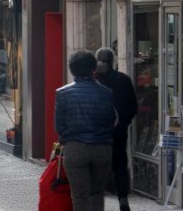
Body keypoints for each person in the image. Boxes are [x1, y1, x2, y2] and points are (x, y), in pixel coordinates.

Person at [55, 50, 116, 211]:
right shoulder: (107, 93)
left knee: (79, 195)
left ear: (72, 69)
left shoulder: (63, 93)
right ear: (93, 69)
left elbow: (59, 124)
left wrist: (65, 139)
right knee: (97, 192)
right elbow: (111, 120)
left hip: (75, 148)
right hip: (102, 147)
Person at [95, 47, 137, 211]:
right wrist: (124, 123)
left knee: (98, 165)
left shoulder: (95, 81)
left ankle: (98, 199)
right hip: (119, 132)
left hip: (98, 134)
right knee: (120, 164)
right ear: (113, 61)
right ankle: (122, 198)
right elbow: (133, 107)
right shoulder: (123, 79)